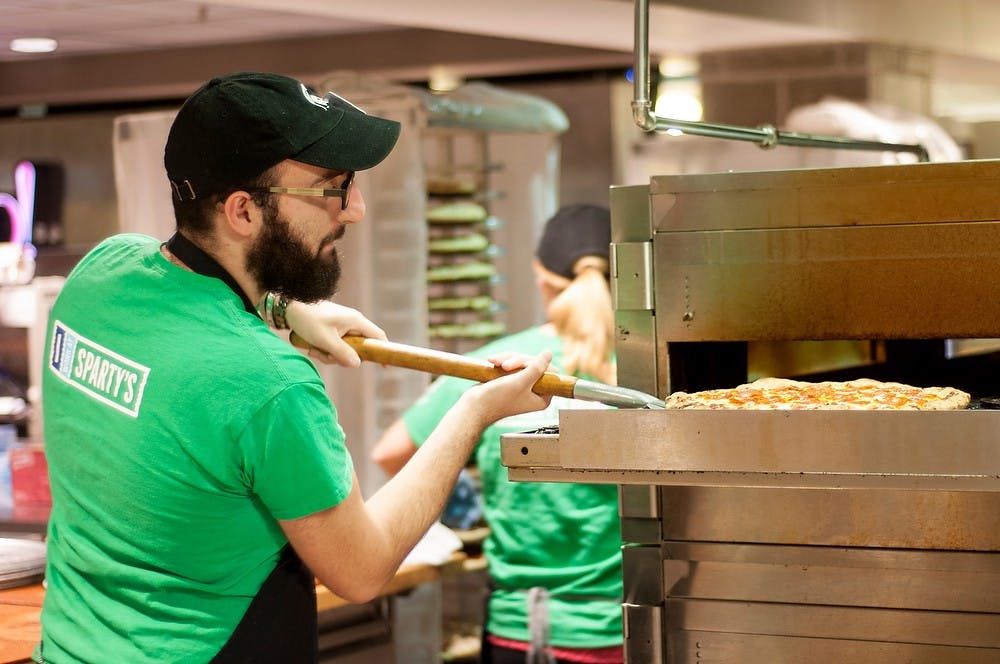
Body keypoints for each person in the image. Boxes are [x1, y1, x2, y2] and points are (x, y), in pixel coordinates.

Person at [37, 71, 552, 663]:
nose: (353, 210)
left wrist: (282, 309)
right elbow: (360, 569)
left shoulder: (101, 272)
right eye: (332, 188)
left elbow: (193, 297)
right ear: (243, 211)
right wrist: (472, 410)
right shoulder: (268, 383)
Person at [372, 204, 623, 664]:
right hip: (627, 627)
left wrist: (464, 490)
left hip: (521, 628)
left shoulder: (495, 367)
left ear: (540, 277)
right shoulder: (648, 369)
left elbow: (390, 453)